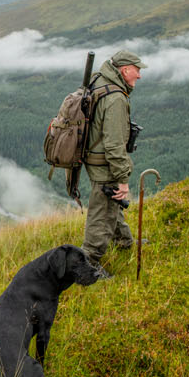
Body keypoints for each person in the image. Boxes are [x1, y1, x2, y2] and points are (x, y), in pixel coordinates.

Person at [81, 50, 144, 268]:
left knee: (111, 202)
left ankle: (123, 241)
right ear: (125, 70)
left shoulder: (99, 80)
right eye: (137, 71)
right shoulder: (116, 98)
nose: (139, 76)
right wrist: (122, 178)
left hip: (92, 157)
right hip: (104, 164)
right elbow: (114, 144)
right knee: (102, 213)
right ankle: (88, 263)